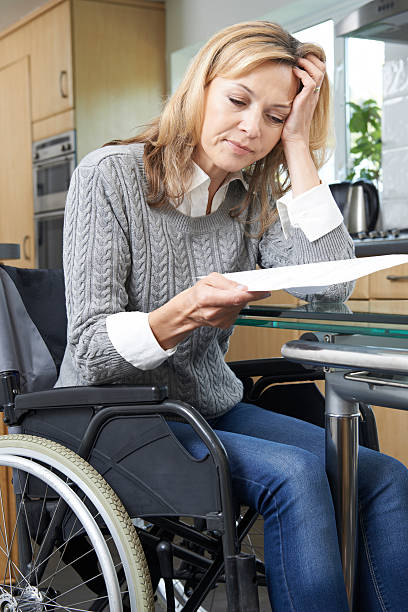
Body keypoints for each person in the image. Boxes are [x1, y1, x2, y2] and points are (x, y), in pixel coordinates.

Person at [56, 20, 408, 612]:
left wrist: (298, 144)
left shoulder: (251, 202)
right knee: (295, 476)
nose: (251, 128)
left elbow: (332, 285)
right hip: (114, 415)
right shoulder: (108, 176)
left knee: (385, 476)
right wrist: (183, 311)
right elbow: (90, 348)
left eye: (274, 116)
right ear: (200, 88)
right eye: (238, 101)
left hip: (207, 407)